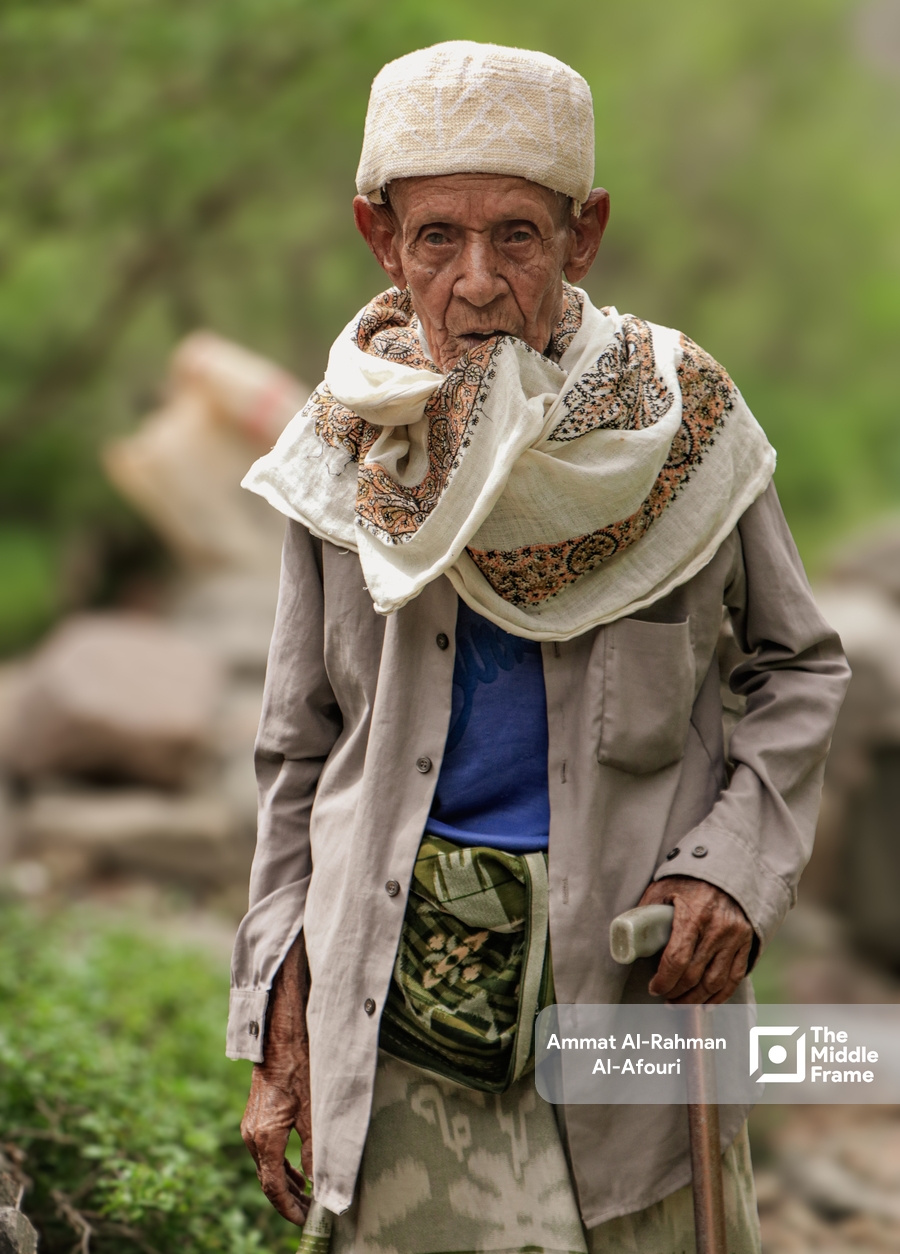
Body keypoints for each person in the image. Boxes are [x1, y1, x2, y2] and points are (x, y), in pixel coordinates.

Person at [228, 41, 849, 1254]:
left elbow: (800, 669)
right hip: (395, 1000)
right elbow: (298, 749)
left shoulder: (684, 424)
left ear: (584, 234)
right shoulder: (347, 442)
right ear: (379, 238)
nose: (476, 281)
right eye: (435, 238)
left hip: (634, 991)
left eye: (517, 235)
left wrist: (731, 867)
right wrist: (273, 1003)